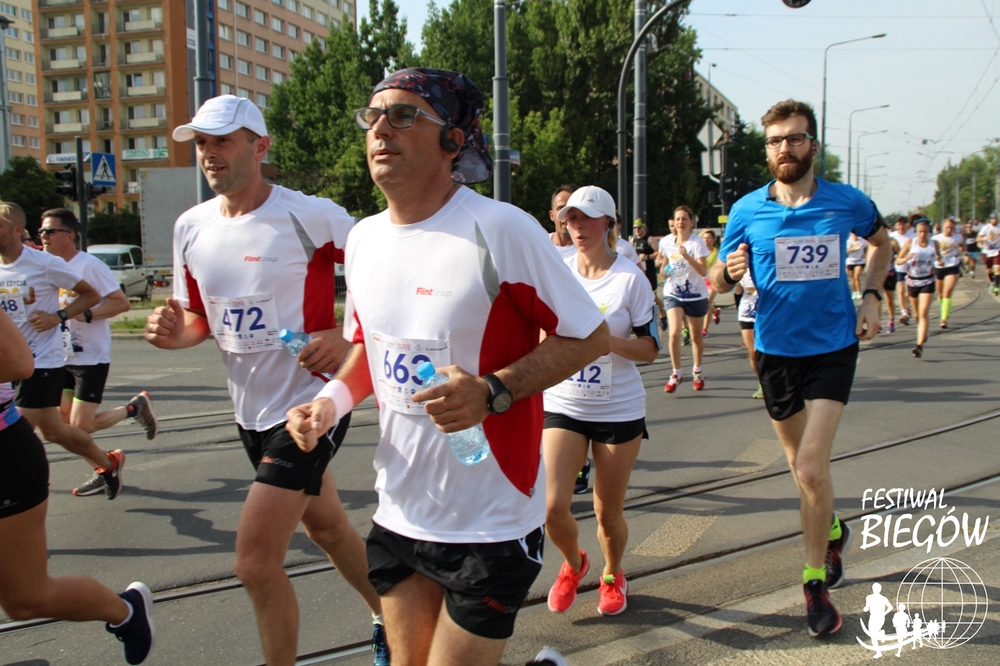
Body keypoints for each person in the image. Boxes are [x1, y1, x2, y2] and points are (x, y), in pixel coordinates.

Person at [285, 68, 609, 666]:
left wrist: (493, 389)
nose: (380, 129)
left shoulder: (501, 229)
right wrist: (328, 403)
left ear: (453, 141)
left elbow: (590, 336)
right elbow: (371, 351)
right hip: (400, 509)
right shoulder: (363, 240)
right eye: (373, 116)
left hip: (490, 518)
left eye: (403, 115)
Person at [144, 94, 387, 666]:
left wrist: (347, 337)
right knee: (328, 529)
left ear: (260, 147)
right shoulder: (190, 227)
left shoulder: (309, 215)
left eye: (222, 141)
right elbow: (199, 319)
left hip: (308, 404)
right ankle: (391, 616)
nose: (209, 153)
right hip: (248, 409)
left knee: (254, 562)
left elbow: (384, 270)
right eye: (201, 143)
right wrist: (171, 334)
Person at [710, 99, 892, 638]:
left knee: (811, 468)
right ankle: (831, 528)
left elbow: (883, 244)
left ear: (812, 144)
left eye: (794, 138)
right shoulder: (747, 210)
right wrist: (728, 272)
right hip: (775, 351)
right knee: (798, 466)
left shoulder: (846, 201)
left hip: (834, 346)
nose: (784, 148)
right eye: (775, 141)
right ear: (766, 149)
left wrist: (872, 296)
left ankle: (814, 582)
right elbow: (716, 281)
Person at [0, 308, 155, 665]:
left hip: (7, 452)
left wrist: (67, 313)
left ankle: (125, 611)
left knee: (25, 599)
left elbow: (19, 361)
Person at [542, 186, 658, 618]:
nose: (577, 227)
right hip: (564, 402)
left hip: (618, 408)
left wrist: (605, 342)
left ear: (608, 222)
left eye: (587, 218)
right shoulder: (557, 269)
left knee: (607, 512)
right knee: (552, 507)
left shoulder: (630, 279)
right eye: (571, 218)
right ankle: (574, 564)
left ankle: (612, 574)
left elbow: (650, 349)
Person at [0, 201, 126, 500]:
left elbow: (90, 295)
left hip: (42, 362)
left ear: (17, 230)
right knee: (54, 431)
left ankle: (23, 501)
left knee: (15, 435)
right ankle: (108, 464)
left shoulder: (44, 263)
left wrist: (58, 316)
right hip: (10, 364)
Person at [39, 208, 158, 497]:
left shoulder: (89, 266)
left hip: (89, 356)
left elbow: (121, 303)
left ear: (69, 235)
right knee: (62, 425)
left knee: (82, 425)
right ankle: (104, 466)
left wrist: (87, 314)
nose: (43, 236)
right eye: (41, 231)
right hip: (59, 355)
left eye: (49, 231)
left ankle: (134, 409)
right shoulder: (46, 265)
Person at [660, 205, 710, 393]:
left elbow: (703, 271)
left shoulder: (697, 243)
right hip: (673, 293)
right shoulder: (666, 242)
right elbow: (664, 266)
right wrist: (664, 272)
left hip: (696, 294)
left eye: (684, 219)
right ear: (673, 222)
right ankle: (676, 373)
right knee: (674, 333)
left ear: (691, 222)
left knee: (696, 336)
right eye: (678, 219)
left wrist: (687, 256)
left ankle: (697, 370)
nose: (681, 222)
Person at [897, 219, 937, 358]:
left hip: (928, 281)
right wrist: (906, 258)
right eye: (920, 232)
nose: (923, 235)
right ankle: (923, 333)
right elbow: (898, 260)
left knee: (923, 312)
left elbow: (940, 257)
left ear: (929, 232)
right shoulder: (910, 243)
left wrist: (940, 260)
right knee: (917, 315)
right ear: (916, 232)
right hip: (913, 282)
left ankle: (919, 346)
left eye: (925, 232)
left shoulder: (934, 244)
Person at [932, 217, 965, 328]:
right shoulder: (936, 238)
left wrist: (964, 252)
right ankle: (945, 309)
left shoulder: (958, 237)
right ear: (942, 227)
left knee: (947, 292)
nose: (949, 230)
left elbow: (962, 245)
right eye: (947, 228)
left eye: (951, 228)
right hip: (940, 266)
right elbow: (932, 252)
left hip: (953, 265)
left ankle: (943, 319)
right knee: (940, 295)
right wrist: (937, 258)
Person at [736, 271, 763, 399]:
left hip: (767, 314)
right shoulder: (742, 268)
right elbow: (737, 292)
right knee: (753, 353)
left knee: (765, 351)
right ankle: (762, 383)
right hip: (747, 313)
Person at [700, 229, 722, 337]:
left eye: (709, 238)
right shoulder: (699, 251)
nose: (706, 240)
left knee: (707, 302)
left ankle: (704, 329)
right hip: (701, 281)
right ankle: (715, 311)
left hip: (713, 281)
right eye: (704, 238)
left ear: (713, 239)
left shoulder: (718, 252)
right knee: (704, 302)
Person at [548, 185, 577, 260]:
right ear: (552, 215)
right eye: (561, 208)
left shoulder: (588, 249)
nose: (566, 215)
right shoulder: (541, 245)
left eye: (570, 209)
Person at [977, 212, 1000, 294]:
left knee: (997, 269)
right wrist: (986, 238)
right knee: (989, 271)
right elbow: (978, 238)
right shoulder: (986, 228)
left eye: (996, 218)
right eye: (993, 219)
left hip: (997, 250)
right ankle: (992, 283)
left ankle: (997, 287)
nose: (994, 220)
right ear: (990, 220)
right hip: (987, 251)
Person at [845, 232, 869, 300]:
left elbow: (868, 246)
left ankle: (858, 292)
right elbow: (845, 252)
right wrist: (850, 249)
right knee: (852, 278)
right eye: (853, 234)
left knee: (856, 276)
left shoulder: (862, 240)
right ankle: (854, 292)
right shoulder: (848, 241)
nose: (854, 235)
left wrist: (865, 253)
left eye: (855, 234)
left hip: (860, 261)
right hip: (850, 261)